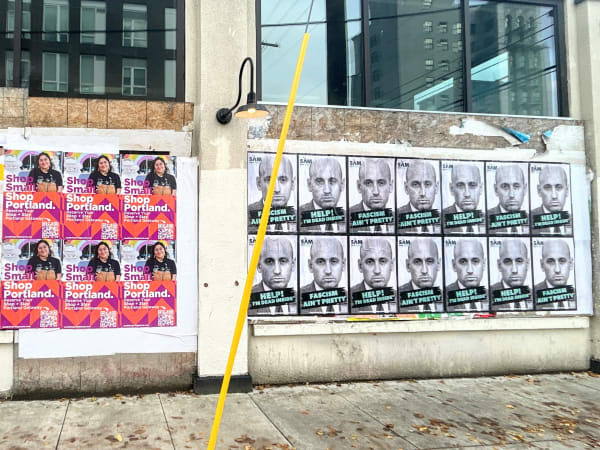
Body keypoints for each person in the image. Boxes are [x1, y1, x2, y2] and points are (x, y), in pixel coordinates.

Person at [248, 155, 296, 232]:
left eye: (283, 180)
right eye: (269, 180)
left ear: (292, 184)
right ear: (259, 183)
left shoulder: (300, 217)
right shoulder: (246, 214)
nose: (277, 189)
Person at [250, 237, 296, 314]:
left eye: (283, 261)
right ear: (259, 266)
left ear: (293, 264)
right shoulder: (246, 299)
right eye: (269, 262)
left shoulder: (301, 299)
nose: (277, 271)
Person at [299, 157, 346, 232]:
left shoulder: (350, 218)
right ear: (309, 185)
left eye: (332, 181)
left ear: (342, 184)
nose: (327, 190)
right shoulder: (297, 216)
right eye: (319, 182)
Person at [302, 237, 346, 313]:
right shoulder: (298, 298)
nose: (328, 271)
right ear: (310, 266)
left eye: (334, 261)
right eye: (320, 262)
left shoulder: (352, 298)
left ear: (343, 264)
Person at [349, 159, 394, 232]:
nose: (376, 192)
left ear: (391, 186)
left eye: (381, 183)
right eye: (368, 183)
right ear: (359, 186)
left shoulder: (398, 219)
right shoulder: (347, 218)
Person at [351, 238, 395, 313]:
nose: (377, 271)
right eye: (370, 262)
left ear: (392, 265)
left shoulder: (401, 298)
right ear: (360, 266)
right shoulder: (348, 297)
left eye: (383, 261)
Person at [399, 238, 443, 313]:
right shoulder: (397, 297)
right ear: (408, 265)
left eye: (429, 261)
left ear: (438, 264)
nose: (424, 271)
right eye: (417, 262)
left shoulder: (447, 297)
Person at [397, 160, 440, 233]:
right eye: (415, 184)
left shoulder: (444, 219)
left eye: (427, 184)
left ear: (436, 187)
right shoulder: (395, 217)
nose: (422, 193)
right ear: (406, 188)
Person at [447, 239, 486, 311]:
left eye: (475, 261)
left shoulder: (492, 296)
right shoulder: (444, 296)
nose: (470, 270)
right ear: (454, 265)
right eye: (463, 262)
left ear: (484, 264)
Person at [490, 239, 530, 309]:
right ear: (499, 265)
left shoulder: (535, 295)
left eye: (519, 261)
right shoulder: (489, 295)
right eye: (508, 262)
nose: (514, 270)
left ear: (527, 264)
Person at [534, 239, 575, 309]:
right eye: (550, 262)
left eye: (562, 261)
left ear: (571, 264)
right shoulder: (532, 295)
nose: (557, 270)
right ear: (542, 265)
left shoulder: (580, 296)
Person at [443, 164, 484, 233]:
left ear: (481, 188)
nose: (467, 194)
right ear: (452, 189)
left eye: (472, 185)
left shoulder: (489, 220)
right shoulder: (440, 219)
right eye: (460, 186)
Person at [532, 165, 572, 234]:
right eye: (547, 188)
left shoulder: (575, 221)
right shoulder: (530, 219)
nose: (554, 196)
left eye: (559, 187)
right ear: (539, 191)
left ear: (567, 190)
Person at [488, 165, 528, 233]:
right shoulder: (486, 219)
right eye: (505, 187)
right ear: (496, 190)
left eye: (516, 186)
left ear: (524, 189)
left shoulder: (533, 220)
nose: (511, 195)